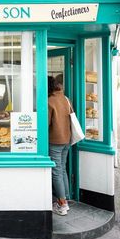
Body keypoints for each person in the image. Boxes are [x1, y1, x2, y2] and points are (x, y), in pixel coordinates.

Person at [48, 75, 73, 216]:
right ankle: (66, 199)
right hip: (67, 140)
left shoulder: (49, 101)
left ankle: (62, 205)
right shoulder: (66, 99)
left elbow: (45, 124)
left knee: (56, 171)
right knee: (62, 169)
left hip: (56, 141)